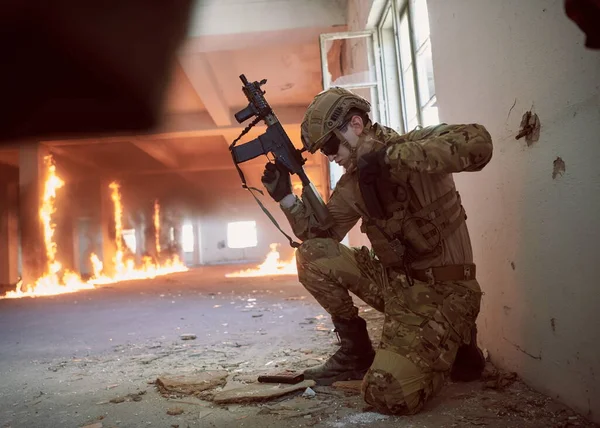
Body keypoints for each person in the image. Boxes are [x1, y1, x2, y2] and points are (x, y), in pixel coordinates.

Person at [260, 87, 493, 415]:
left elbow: (480, 144)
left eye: (329, 144)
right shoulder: (354, 183)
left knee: (385, 393)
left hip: (446, 291)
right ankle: (355, 351)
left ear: (355, 125)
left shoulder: (413, 147)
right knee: (312, 255)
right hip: (396, 285)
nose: (329, 156)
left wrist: (388, 158)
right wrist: (286, 197)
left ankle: (455, 342)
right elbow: (320, 236)